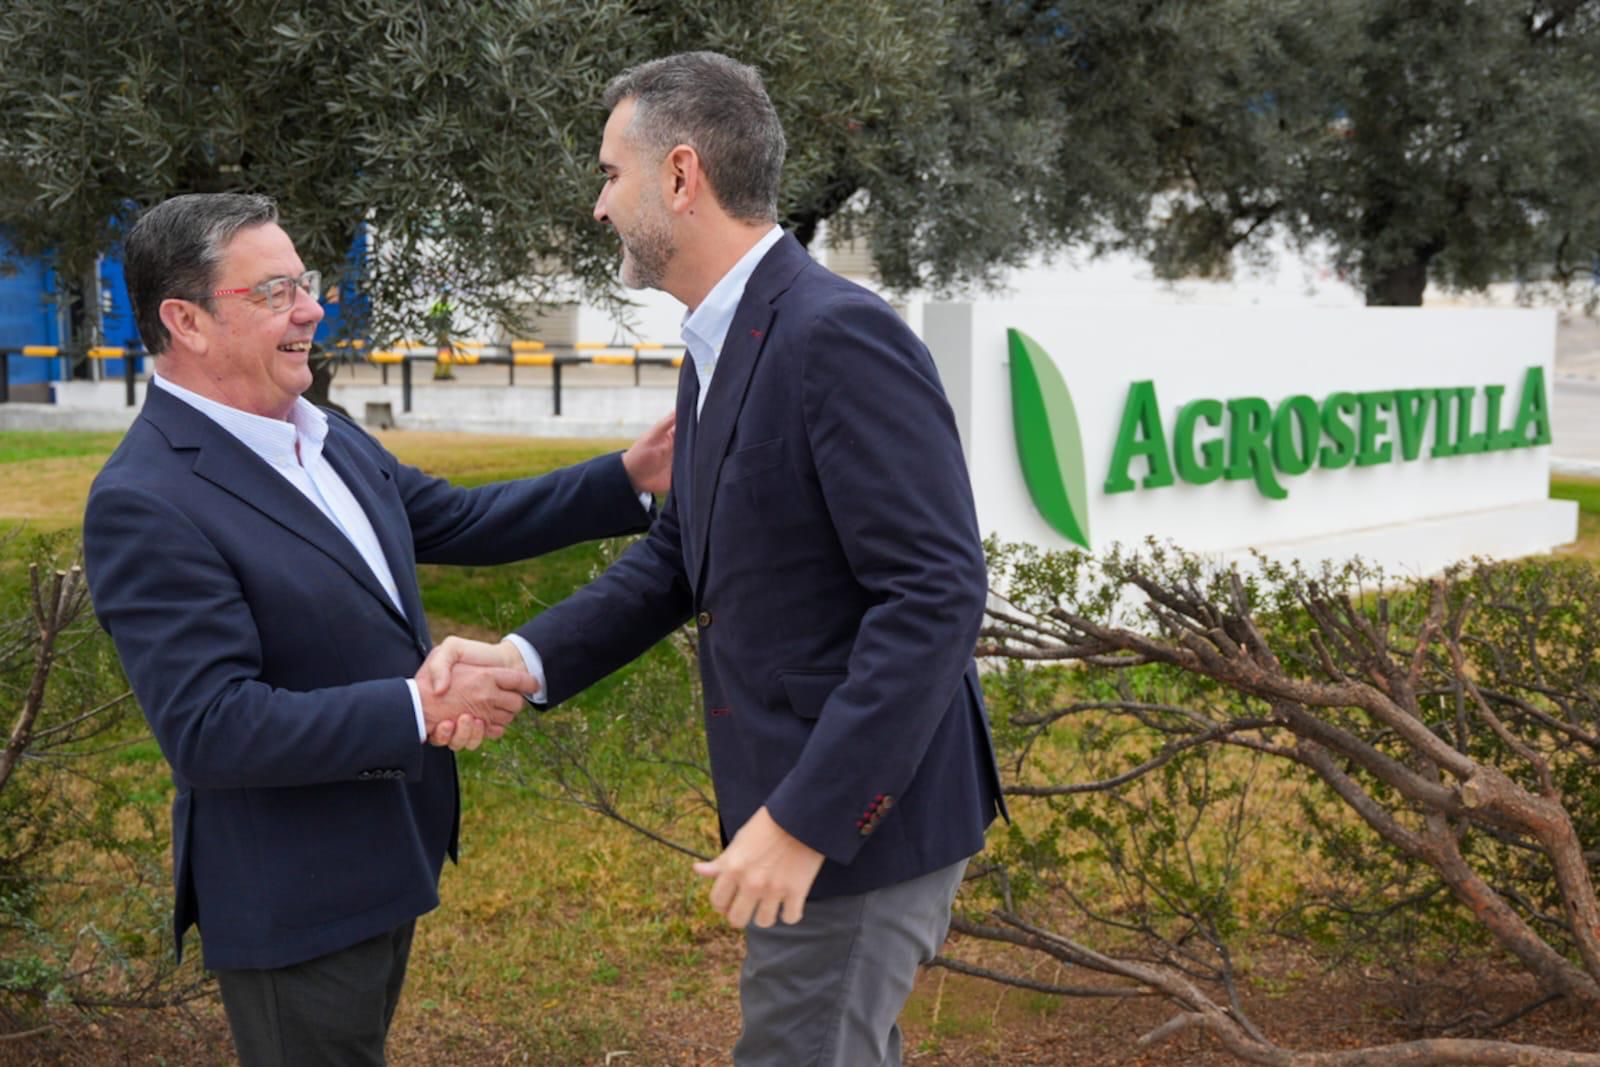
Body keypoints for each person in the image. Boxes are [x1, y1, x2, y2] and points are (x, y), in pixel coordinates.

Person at [429, 51, 1006, 1066]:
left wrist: (810, 819)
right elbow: (680, 556)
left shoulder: (833, 335)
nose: (600, 206)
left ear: (682, 176)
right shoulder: (725, 337)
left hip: (859, 821)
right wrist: (525, 657)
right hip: (808, 805)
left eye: (611, 174)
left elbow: (936, 592)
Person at [82, 192, 673, 1066]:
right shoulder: (146, 499)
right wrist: (418, 708)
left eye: (305, 284)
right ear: (186, 321)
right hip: (296, 897)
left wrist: (630, 476)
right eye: (275, 291)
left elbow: (461, 521)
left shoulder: (323, 435)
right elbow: (212, 729)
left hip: (385, 858)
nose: (313, 308)